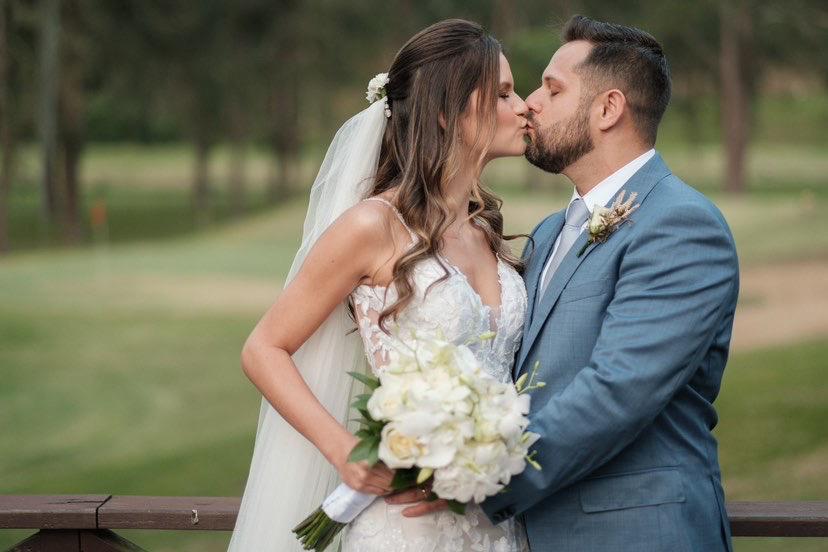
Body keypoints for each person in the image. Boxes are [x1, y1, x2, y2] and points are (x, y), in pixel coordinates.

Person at [393, 15, 740, 552]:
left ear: (608, 109)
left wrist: (476, 476)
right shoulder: (550, 232)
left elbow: (618, 391)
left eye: (552, 89)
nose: (529, 104)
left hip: (635, 535)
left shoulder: (681, 224)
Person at [228, 19, 533, 552]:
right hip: (404, 525)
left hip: (493, 520)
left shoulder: (484, 230)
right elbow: (264, 348)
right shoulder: (374, 226)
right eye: (504, 93)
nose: (524, 106)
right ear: (447, 111)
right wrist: (344, 449)